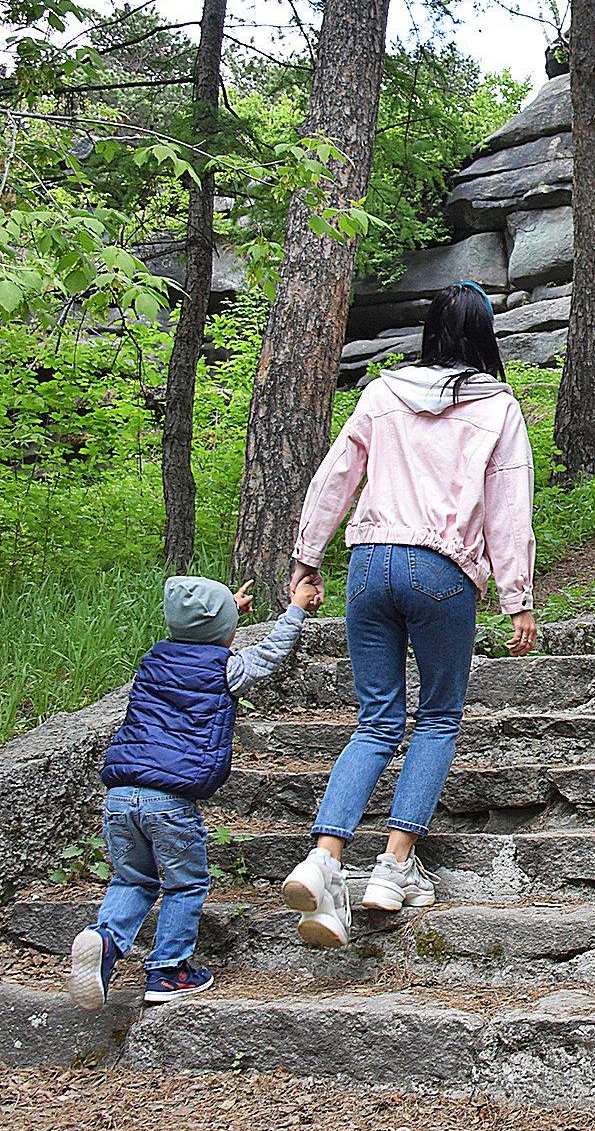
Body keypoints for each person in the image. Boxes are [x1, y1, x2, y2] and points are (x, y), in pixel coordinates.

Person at [278, 283, 539, 950]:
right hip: (441, 568)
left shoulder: (382, 391)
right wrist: (517, 596)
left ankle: (326, 856)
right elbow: (508, 505)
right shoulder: (497, 405)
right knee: (439, 716)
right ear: (484, 335)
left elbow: (336, 474)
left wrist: (307, 554)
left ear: (428, 329)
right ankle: (393, 865)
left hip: (369, 562)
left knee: (376, 720)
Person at [68, 572, 322, 1010]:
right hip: (169, 801)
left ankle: (104, 941)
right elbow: (272, 652)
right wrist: (295, 608)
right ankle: (169, 970)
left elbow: (197, 635)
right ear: (225, 631)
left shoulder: (152, 662)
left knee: (132, 877)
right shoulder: (226, 667)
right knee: (185, 883)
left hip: (120, 794)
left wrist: (223, 618)